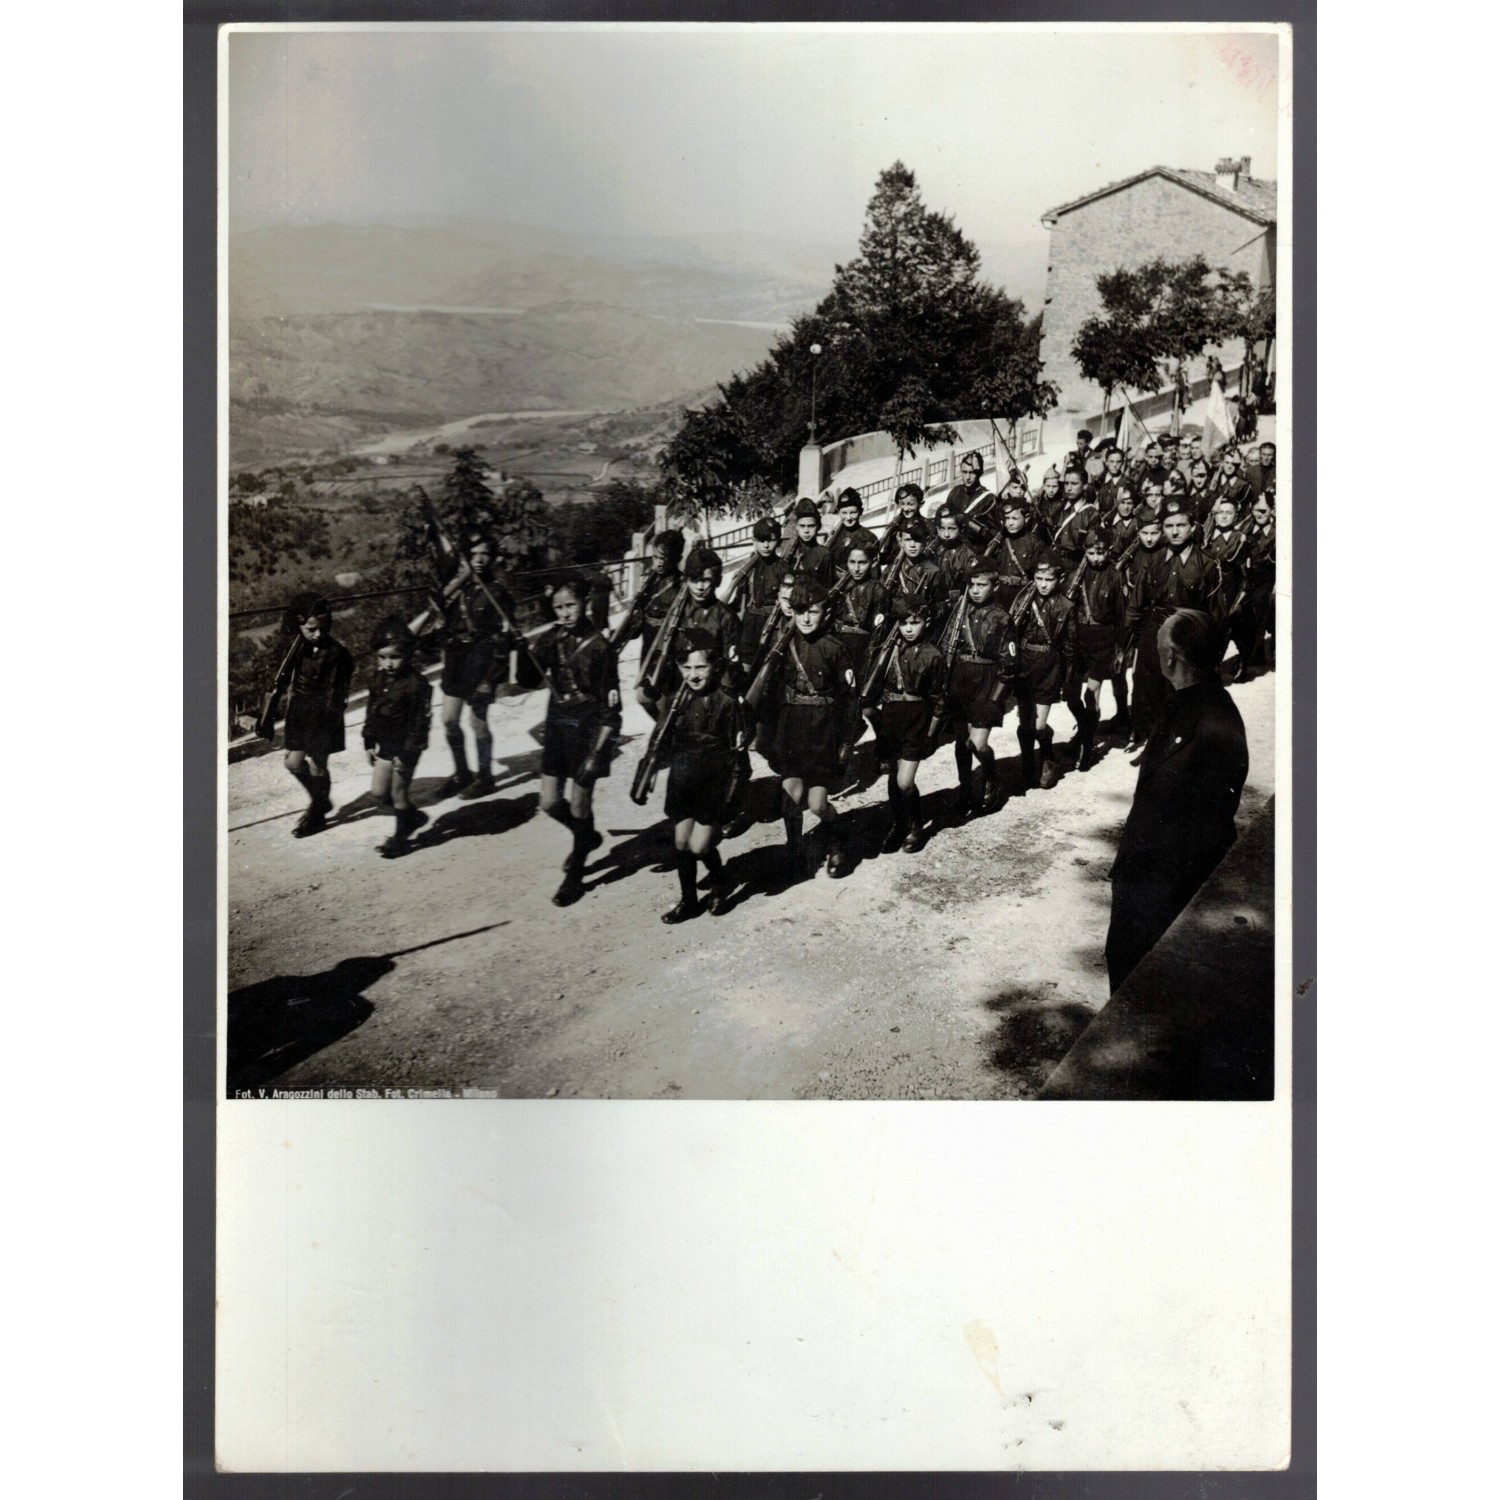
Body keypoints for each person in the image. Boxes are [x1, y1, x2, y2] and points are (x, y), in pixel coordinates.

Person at [1105, 609, 1249, 991]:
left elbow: (1206, 821)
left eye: (1157, 648)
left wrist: (1146, 888)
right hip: (1148, 882)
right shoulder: (1184, 704)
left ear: (1171, 656)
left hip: (1165, 892)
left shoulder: (1213, 722)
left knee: (1142, 987)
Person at [536, 575, 622, 907]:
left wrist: (598, 753)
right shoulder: (548, 640)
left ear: (584, 604)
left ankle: (576, 879)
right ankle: (586, 837)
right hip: (558, 727)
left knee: (579, 803)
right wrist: (512, 650)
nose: (565, 612)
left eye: (571, 605)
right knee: (548, 802)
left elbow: (612, 711)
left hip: (588, 731)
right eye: (558, 607)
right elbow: (527, 680)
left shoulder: (600, 647)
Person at [768, 576, 860, 878]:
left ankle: (837, 837)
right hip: (792, 726)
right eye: (800, 611)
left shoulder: (835, 649)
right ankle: (794, 850)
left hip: (823, 730)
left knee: (818, 803)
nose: (806, 618)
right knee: (789, 796)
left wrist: (846, 743)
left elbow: (850, 703)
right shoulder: (785, 644)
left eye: (813, 611)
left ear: (827, 614)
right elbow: (773, 689)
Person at [658, 629, 747, 924]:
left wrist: (731, 802)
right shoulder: (676, 701)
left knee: (700, 846)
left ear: (715, 666)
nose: (693, 675)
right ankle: (688, 901)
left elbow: (739, 760)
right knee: (681, 843)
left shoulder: (727, 703)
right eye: (687, 667)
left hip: (714, 785)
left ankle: (720, 882)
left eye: (700, 667)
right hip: (683, 782)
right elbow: (663, 743)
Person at [1123, 500, 1222, 747]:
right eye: (1168, 526)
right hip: (1154, 630)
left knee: (1181, 690)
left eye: (1180, 525)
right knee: (1148, 685)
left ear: (1193, 527)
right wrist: (1128, 639)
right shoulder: (1153, 560)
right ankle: (1153, 737)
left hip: (1187, 633)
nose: (1174, 532)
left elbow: (1216, 615)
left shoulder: (1208, 564)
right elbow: (1137, 603)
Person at [425, 528, 514, 800]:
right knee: (449, 720)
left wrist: (490, 678)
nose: (479, 559)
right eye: (473, 554)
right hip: (456, 658)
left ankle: (485, 777)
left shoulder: (498, 594)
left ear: (493, 558)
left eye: (485, 554)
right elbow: (441, 622)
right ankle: (462, 772)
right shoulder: (456, 590)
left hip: (481, 660)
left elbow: (505, 640)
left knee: (477, 722)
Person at [865, 594, 945, 852]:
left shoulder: (933, 655)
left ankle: (915, 824)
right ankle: (898, 824)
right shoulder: (887, 651)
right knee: (892, 775)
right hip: (890, 716)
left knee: (904, 781)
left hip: (917, 718)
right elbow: (872, 687)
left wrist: (931, 734)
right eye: (903, 623)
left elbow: (938, 700)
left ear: (927, 623)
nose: (908, 629)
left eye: (915, 622)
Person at [999, 552, 1078, 790]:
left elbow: (1070, 646)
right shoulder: (1024, 599)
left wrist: (1067, 679)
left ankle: (1047, 758)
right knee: (1024, 725)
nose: (1043, 584)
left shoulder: (1066, 606)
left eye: (1049, 579)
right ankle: (1027, 767)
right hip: (1025, 664)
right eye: (1039, 578)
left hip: (1049, 665)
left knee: (1039, 726)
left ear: (1060, 580)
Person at [942, 558, 1014, 817]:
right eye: (972, 584)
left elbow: (1009, 664)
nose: (975, 590)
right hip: (960, 679)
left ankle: (992, 776)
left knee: (978, 743)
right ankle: (965, 787)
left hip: (987, 680)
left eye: (981, 585)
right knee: (961, 741)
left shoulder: (1002, 618)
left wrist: (996, 700)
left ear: (994, 587)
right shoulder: (960, 611)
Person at [279, 594, 355, 837]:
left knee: (318, 764)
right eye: (311, 629)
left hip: (324, 715)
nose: (318, 634)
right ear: (299, 626)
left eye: (322, 628)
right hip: (300, 711)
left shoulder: (336, 653)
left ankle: (318, 815)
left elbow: (336, 694)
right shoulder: (297, 646)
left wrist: (326, 723)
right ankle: (320, 800)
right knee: (292, 762)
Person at [361, 618, 432, 857]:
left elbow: (421, 723)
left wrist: (408, 752)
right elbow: (371, 711)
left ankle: (401, 838)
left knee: (399, 793)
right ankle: (412, 817)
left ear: (409, 653)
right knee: (379, 793)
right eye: (382, 657)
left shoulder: (416, 684)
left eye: (394, 657)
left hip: (406, 746)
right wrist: (369, 741)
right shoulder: (378, 680)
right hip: (387, 744)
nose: (388, 663)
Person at [1063, 533, 1126, 771]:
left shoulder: (1115, 576)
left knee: (1092, 695)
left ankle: (1087, 748)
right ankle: (1084, 731)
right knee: (1070, 695)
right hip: (1077, 638)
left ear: (1109, 550)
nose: (1096, 558)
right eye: (1091, 553)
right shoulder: (1075, 576)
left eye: (1101, 553)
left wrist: (1120, 649)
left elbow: (1121, 616)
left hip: (1103, 640)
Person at [613, 526, 685, 719]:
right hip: (648, 648)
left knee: (662, 698)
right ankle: (667, 731)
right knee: (644, 697)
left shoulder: (682, 585)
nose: (658, 563)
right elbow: (637, 628)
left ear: (676, 558)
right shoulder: (650, 583)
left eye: (664, 558)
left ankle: (669, 734)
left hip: (667, 650)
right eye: (655, 557)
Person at [678, 546, 742, 691]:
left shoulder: (726, 618)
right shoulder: (678, 613)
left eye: (706, 580)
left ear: (717, 581)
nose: (700, 587)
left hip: (713, 691)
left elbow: (729, 669)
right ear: (686, 580)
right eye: (694, 580)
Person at [726, 516, 785, 661]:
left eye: (770, 540)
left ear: (778, 541)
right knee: (746, 665)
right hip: (749, 624)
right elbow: (738, 601)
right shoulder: (747, 568)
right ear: (754, 541)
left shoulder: (783, 567)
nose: (766, 545)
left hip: (773, 624)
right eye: (761, 541)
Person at [829, 544, 887, 681]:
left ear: (873, 563)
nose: (856, 568)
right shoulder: (840, 587)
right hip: (838, 642)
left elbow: (878, 632)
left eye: (862, 563)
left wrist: (869, 659)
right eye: (852, 562)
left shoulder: (878, 590)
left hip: (861, 647)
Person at [992, 496, 1048, 611]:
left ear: (1026, 518)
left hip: (1022, 595)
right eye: (1006, 518)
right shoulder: (1000, 541)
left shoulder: (1034, 543)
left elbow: (1039, 573)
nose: (1010, 523)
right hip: (1000, 595)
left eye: (1014, 518)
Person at [938, 449, 998, 547]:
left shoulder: (988, 499)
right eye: (964, 472)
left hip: (974, 551)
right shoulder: (955, 492)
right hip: (953, 548)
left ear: (980, 473)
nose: (967, 477)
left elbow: (995, 535)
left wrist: (972, 526)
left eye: (972, 473)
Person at [884, 516, 942, 615]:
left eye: (917, 540)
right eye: (907, 540)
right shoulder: (892, 569)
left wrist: (928, 610)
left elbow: (941, 604)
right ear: (901, 542)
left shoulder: (934, 571)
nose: (912, 545)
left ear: (926, 541)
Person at [932, 510, 980, 624]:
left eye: (952, 529)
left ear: (961, 529)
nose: (946, 534)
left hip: (957, 605)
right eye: (942, 529)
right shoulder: (934, 550)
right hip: (935, 603)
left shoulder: (968, 554)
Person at [780, 497, 835, 586]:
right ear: (796, 526)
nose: (806, 531)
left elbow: (828, 588)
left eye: (811, 526)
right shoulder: (788, 551)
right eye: (802, 526)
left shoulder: (824, 555)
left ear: (818, 526)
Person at [828, 489, 880, 576]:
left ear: (861, 511)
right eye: (844, 513)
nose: (848, 518)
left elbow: (874, 573)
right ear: (838, 512)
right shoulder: (833, 535)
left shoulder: (869, 537)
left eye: (853, 512)